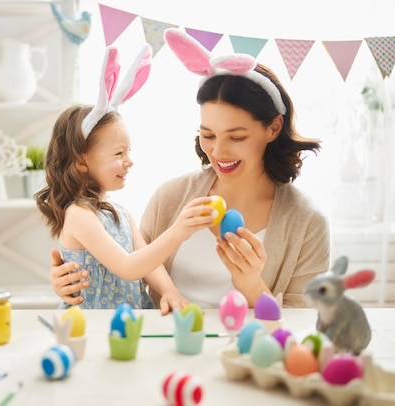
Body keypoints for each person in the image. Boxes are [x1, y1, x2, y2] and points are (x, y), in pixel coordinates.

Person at [50, 28, 330, 309]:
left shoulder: (307, 223)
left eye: (237, 137)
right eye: (208, 135)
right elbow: (130, 268)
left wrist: (252, 286)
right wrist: (70, 277)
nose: (218, 152)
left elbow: (303, 329)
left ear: (273, 128)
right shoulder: (170, 197)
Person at [36, 44, 202, 314]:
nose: (129, 161)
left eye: (129, 151)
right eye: (118, 153)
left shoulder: (122, 214)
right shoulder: (78, 214)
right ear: (81, 161)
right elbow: (127, 267)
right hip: (91, 327)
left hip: (127, 324)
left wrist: (169, 290)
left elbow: (146, 262)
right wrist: (177, 233)